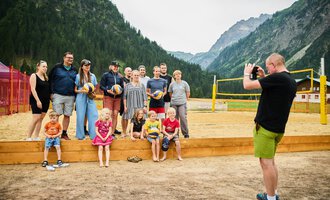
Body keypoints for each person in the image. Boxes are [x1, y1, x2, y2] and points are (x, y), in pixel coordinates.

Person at [243, 53, 297, 200]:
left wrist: (247, 73)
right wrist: (264, 76)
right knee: (271, 162)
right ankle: (273, 193)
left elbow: (247, 85)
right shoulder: (290, 80)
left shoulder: (277, 78)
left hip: (266, 128)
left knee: (266, 164)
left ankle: (271, 197)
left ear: (274, 64)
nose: (267, 69)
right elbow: (273, 92)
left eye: (268, 67)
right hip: (278, 128)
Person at [48, 52, 77, 140]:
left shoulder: (74, 69)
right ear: (64, 58)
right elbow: (50, 80)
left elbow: (77, 82)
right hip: (57, 94)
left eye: (71, 58)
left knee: (67, 115)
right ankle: (55, 132)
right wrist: (51, 93)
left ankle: (64, 133)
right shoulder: (57, 67)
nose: (70, 59)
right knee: (56, 114)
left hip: (70, 95)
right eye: (68, 58)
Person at [74, 59, 98, 140]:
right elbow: (75, 90)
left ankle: (93, 135)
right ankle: (80, 136)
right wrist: (83, 90)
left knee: (94, 115)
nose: (88, 67)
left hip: (90, 97)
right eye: (86, 65)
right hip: (81, 97)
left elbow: (94, 87)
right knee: (80, 116)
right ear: (82, 66)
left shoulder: (93, 76)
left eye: (89, 65)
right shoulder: (78, 76)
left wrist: (93, 92)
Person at [26, 60, 50, 141]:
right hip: (36, 100)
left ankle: (36, 136)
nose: (45, 68)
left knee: (41, 119)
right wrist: (38, 101)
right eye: (43, 66)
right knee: (36, 118)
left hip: (46, 101)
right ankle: (28, 136)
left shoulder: (46, 77)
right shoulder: (34, 75)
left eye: (46, 67)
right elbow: (33, 89)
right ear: (38, 67)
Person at [100, 61, 124, 136]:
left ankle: (112, 132)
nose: (116, 68)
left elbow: (122, 87)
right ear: (110, 66)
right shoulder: (106, 75)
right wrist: (107, 90)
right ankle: (106, 131)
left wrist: (120, 92)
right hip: (108, 97)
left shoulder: (120, 76)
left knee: (115, 114)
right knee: (108, 114)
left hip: (117, 98)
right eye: (114, 66)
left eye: (117, 67)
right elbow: (101, 86)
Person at [123, 70, 148, 138]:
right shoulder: (128, 85)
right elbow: (124, 97)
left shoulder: (141, 85)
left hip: (139, 105)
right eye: (135, 75)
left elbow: (145, 97)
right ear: (132, 76)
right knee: (128, 118)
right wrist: (125, 106)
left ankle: (140, 132)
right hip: (130, 105)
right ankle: (125, 132)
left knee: (141, 119)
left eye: (137, 75)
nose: (136, 76)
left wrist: (145, 106)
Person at [168, 70, 190, 138]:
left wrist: (185, 99)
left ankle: (185, 133)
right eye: (176, 74)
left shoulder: (184, 83)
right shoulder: (172, 84)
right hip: (174, 103)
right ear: (174, 76)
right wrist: (174, 99)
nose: (178, 75)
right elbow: (170, 93)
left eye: (179, 74)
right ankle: (175, 134)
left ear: (181, 75)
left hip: (182, 103)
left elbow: (188, 92)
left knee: (183, 117)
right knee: (174, 118)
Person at [120, 67, 132, 138]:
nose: (129, 72)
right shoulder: (122, 79)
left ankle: (126, 131)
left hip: (131, 100)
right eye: (128, 71)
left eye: (130, 71)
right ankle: (123, 131)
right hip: (123, 99)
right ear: (125, 72)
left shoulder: (132, 80)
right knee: (124, 116)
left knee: (127, 116)